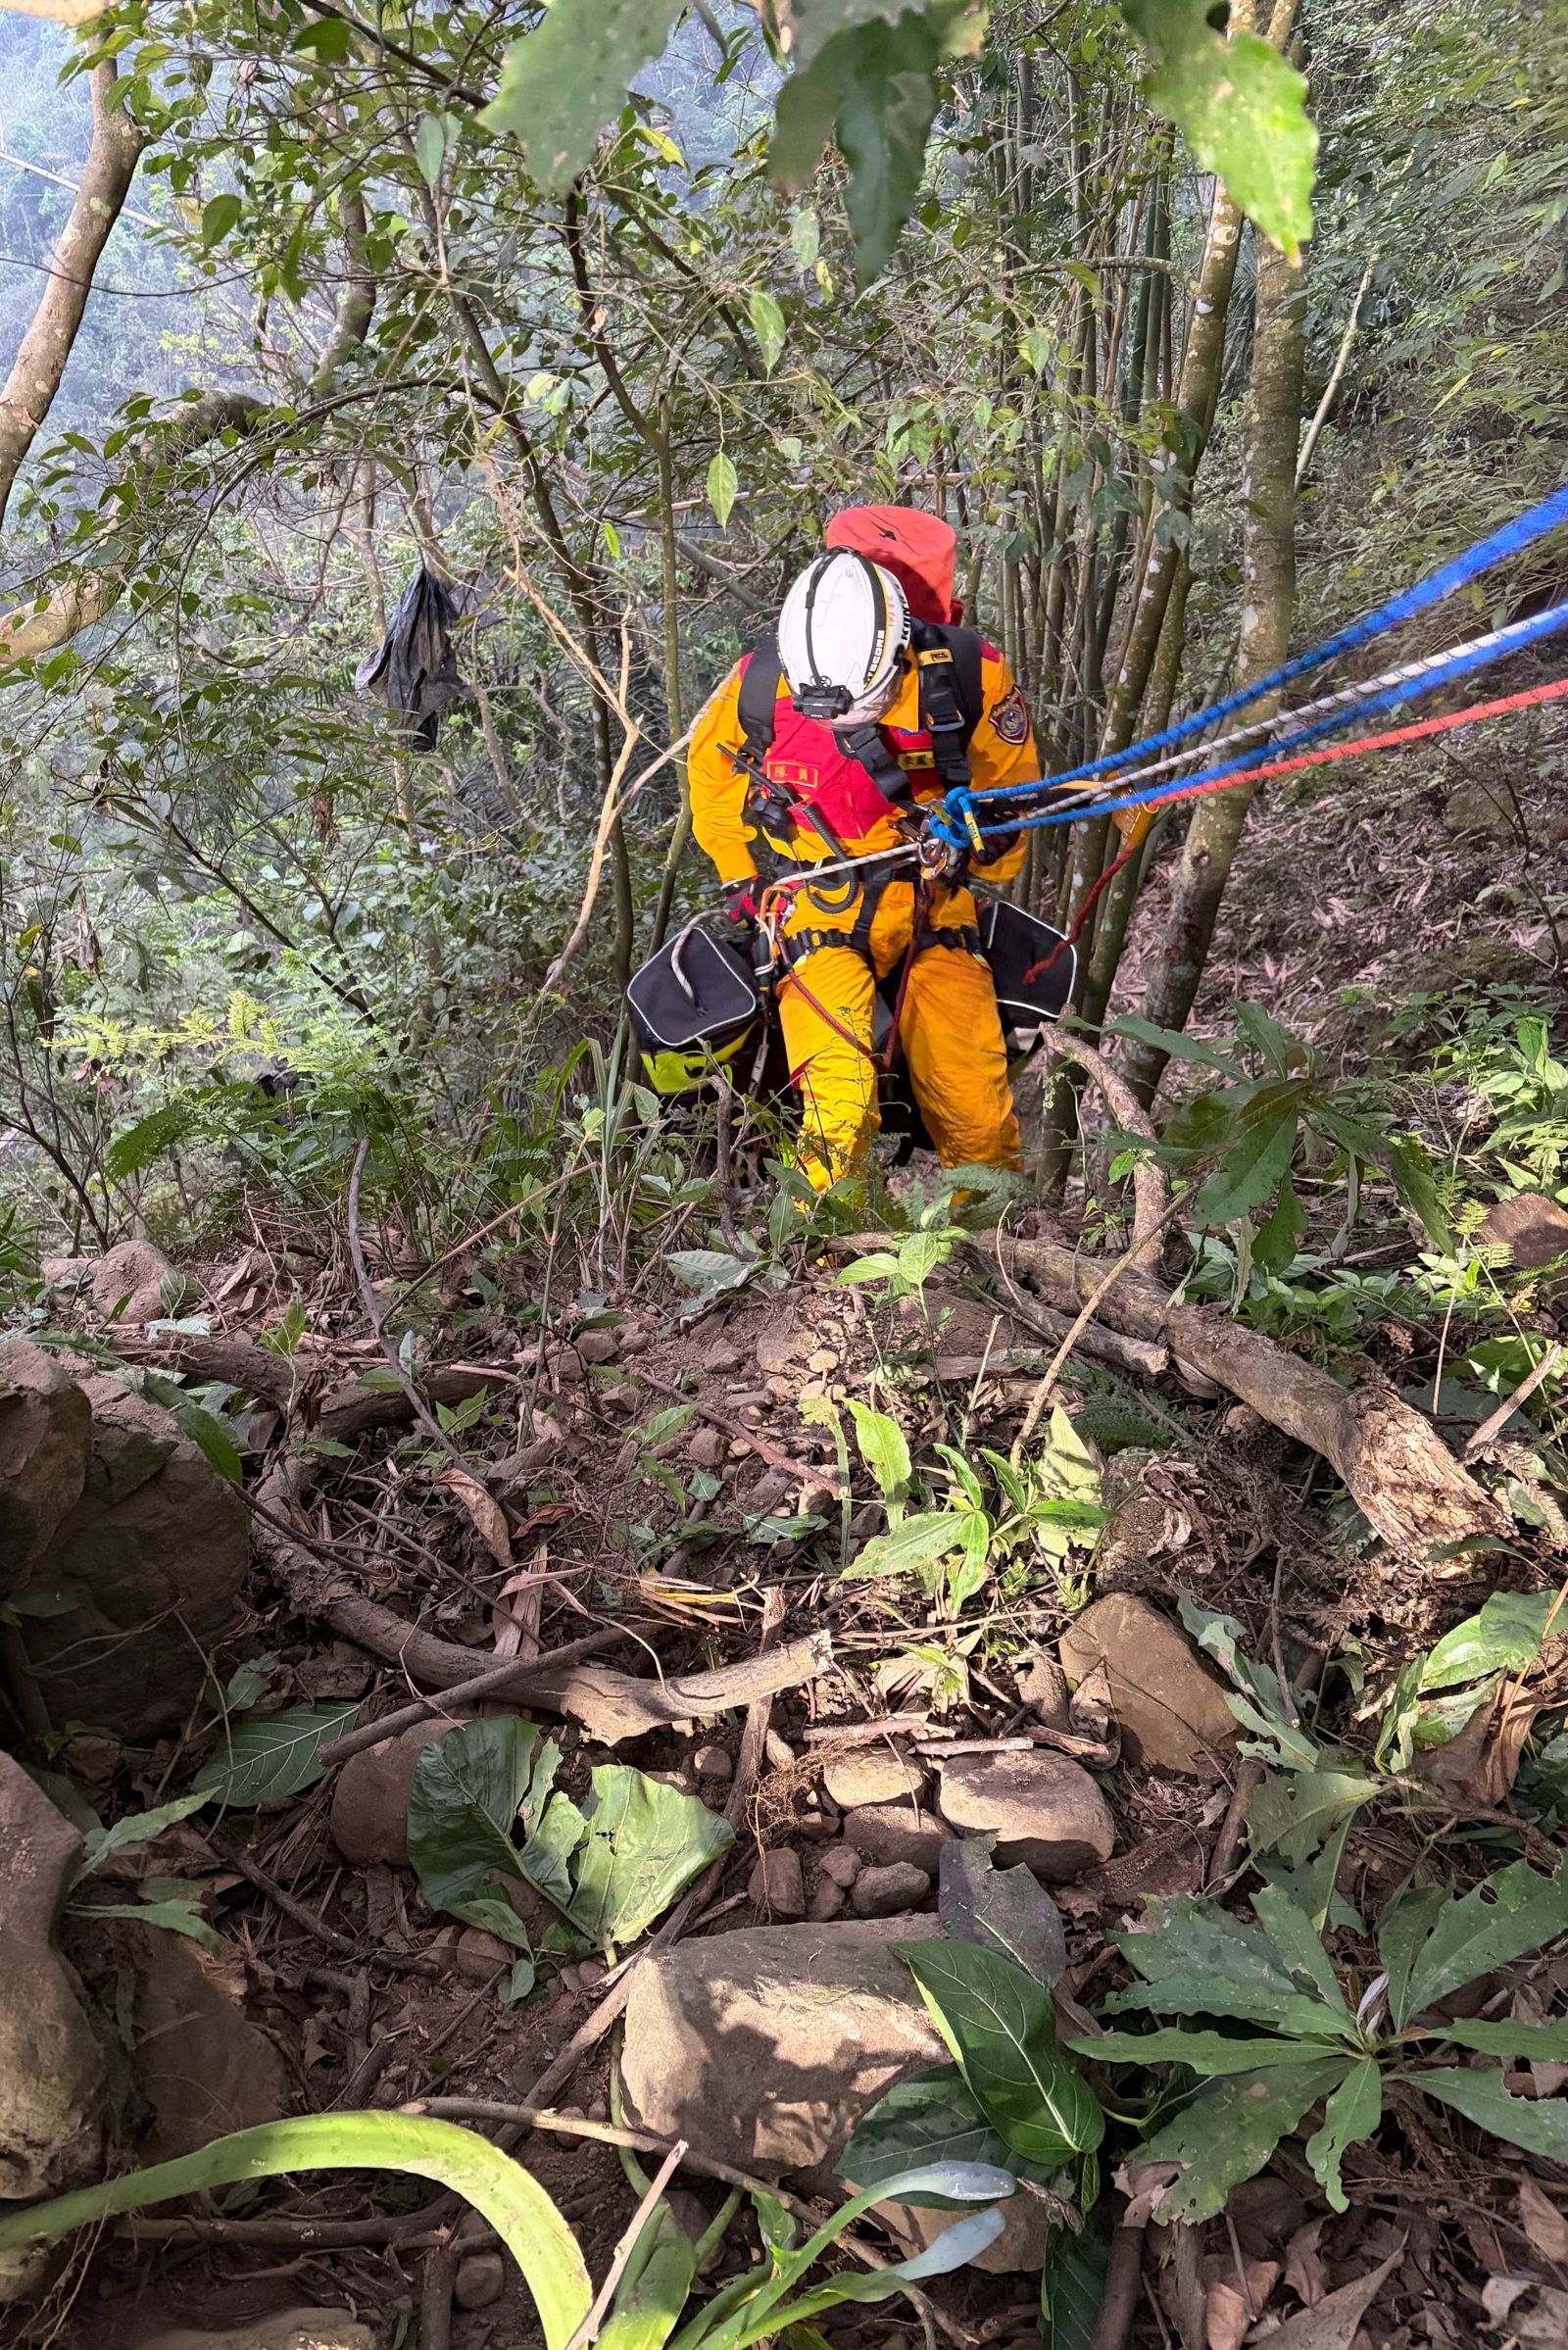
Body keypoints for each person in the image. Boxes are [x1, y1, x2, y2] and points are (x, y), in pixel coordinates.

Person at [687, 504, 1041, 1191]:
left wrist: (972, 848)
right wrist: (741, 880)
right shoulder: (758, 687)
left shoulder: (971, 677)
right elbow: (711, 786)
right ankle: (822, 1272)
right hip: (813, 908)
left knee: (978, 1115)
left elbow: (1012, 795)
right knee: (837, 1117)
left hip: (933, 906)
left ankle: (986, 1258)